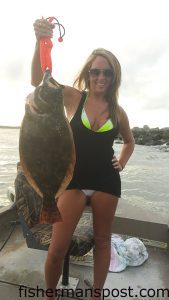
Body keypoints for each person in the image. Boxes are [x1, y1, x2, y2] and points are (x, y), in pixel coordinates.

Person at [31, 18, 135, 300]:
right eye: (96, 71)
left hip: (106, 181)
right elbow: (36, 80)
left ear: (115, 77)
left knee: (102, 242)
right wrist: (39, 41)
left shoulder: (118, 111)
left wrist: (122, 162)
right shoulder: (72, 97)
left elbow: (129, 141)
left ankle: (96, 295)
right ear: (88, 73)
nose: (101, 77)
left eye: (108, 73)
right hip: (73, 180)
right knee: (57, 248)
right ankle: (49, 295)